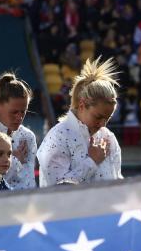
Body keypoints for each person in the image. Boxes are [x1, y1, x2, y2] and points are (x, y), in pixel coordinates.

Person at [37, 58, 123, 187]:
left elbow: (117, 183)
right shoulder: (56, 137)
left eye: (107, 118)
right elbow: (55, 191)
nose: (102, 124)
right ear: (82, 105)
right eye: (98, 117)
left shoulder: (108, 137)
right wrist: (92, 162)